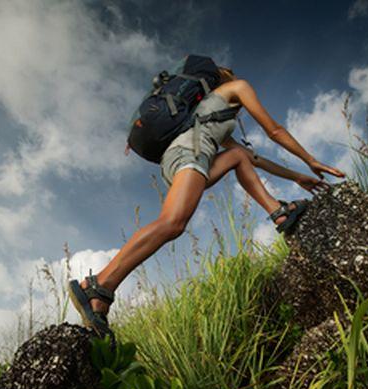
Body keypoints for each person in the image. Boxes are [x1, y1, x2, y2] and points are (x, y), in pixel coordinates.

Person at [68, 66, 345, 336]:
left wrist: (297, 176)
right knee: (172, 223)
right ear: (224, 77)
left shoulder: (210, 116)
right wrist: (311, 161)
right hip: (190, 153)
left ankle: (278, 212)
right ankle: (99, 284)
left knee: (238, 158)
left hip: (179, 158)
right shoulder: (236, 88)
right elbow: (275, 130)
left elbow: (252, 158)